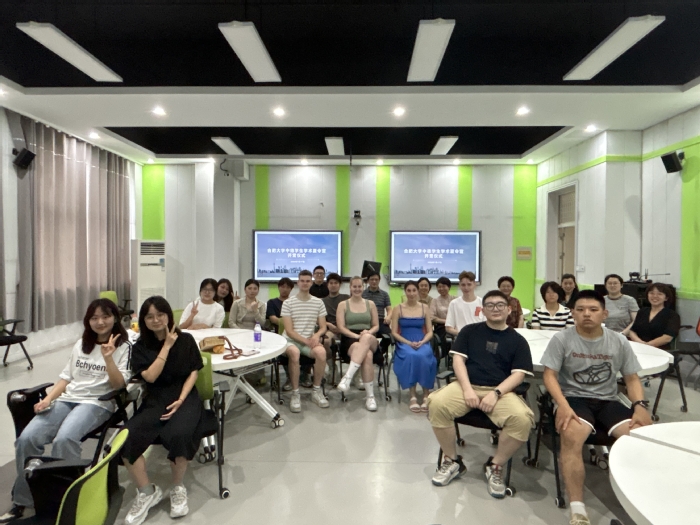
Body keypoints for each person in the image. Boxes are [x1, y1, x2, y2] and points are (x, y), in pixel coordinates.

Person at [0, 299, 130, 523]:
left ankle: (67, 498)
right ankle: (23, 500)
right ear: (88, 321)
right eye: (94, 318)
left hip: (97, 402)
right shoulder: (82, 344)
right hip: (69, 398)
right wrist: (48, 399)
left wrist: (108, 358)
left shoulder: (124, 346)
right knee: (27, 439)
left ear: (115, 318)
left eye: (105, 316)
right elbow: (66, 378)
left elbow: (119, 385)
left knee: (65, 439)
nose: (100, 322)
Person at [541, 290, 652, 525]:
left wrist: (640, 406)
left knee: (642, 437)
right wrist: (561, 404)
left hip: (608, 400)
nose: (587, 314)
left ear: (604, 313)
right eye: (580, 310)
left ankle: (641, 502)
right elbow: (549, 375)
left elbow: (631, 378)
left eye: (593, 310)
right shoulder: (562, 339)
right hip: (573, 398)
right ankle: (578, 507)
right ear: (572, 313)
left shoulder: (618, 341)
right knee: (571, 435)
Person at [428, 290, 534, 499]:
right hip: (466, 386)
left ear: (509, 309)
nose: (495, 309)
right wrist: (467, 389)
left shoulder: (518, 340)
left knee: (523, 419)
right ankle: (452, 460)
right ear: (482, 310)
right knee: (436, 403)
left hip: (500, 391)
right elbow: (458, 361)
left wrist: (496, 393)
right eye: (490, 305)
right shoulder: (469, 332)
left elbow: (519, 374)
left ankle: (495, 465)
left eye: (500, 305)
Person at [122, 296, 204, 524]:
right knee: (126, 439)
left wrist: (181, 399)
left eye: (160, 314)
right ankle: (147, 491)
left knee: (179, 434)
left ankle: (177, 487)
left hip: (185, 396)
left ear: (169, 316)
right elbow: (150, 376)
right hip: (156, 398)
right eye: (150, 316)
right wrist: (166, 346)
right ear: (143, 320)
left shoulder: (186, 339)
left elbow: (194, 371)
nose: (156, 320)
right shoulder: (140, 347)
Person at [281, 270, 331, 413]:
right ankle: (295, 393)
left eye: (308, 281)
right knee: (294, 353)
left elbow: (323, 327)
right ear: (298, 282)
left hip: (309, 341)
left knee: (321, 353)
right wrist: (306, 341)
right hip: (290, 341)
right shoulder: (288, 303)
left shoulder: (318, 302)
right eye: (302, 281)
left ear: (311, 282)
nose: (305, 283)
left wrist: (316, 336)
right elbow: (289, 331)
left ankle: (316, 390)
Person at [335, 276, 380, 411]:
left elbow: (376, 325)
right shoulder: (343, 305)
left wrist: (368, 333)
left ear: (363, 287)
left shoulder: (370, 304)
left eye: (359, 286)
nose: (357, 289)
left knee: (366, 338)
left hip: (369, 337)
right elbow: (341, 327)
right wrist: (356, 336)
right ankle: (370, 396)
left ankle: (348, 377)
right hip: (350, 338)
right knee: (367, 356)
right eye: (354, 286)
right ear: (350, 288)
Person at [391, 281, 436, 413]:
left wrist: (422, 342)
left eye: (414, 290)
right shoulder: (398, 308)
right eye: (408, 291)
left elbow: (430, 331)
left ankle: (426, 394)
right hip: (404, 342)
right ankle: (413, 396)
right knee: (412, 355)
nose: (411, 293)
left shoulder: (424, 308)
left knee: (423, 355)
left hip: (422, 340)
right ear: (405, 292)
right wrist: (408, 343)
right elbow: (394, 332)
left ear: (418, 291)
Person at [266, 278, 307, 390]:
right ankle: (290, 377)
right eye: (282, 286)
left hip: (298, 332)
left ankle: (305, 375)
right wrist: (289, 322)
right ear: (278, 287)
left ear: (291, 289)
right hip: (279, 335)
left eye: (288, 287)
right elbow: (273, 319)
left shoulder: (295, 302)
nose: (285, 289)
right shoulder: (272, 302)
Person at [629, 283, 680, 349]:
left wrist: (647, 345)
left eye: (659, 294)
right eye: (652, 293)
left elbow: (667, 337)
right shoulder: (642, 311)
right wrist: (640, 343)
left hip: (660, 350)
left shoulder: (672, 315)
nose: (655, 296)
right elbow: (632, 331)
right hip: (639, 347)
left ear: (666, 298)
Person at [362, 271, 393, 357]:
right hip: (366, 321)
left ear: (379, 280)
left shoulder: (384, 294)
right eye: (372, 279)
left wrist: (389, 317)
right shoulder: (362, 293)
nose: (374, 281)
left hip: (380, 321)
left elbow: (389, 309)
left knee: (390, 336)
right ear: (368, 281)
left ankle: (379, 351)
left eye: (376, 279)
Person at [445, 271, 484, 336]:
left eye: (469, 284)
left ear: (474, 284)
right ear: (459, 285)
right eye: (463, 285)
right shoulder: (454, 303)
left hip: (479, 337)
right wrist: (463, 335)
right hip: (460, 337)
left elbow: (487, 325)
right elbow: (449, 327)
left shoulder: (482, 302)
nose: (466, 288)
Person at [322, 272, 350, 363]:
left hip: (346, 329)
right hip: (331, 330)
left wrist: (342, 327)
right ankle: (331, 366)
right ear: (327, 285)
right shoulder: (323, 301)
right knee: (326, 341)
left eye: (336, 283)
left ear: (340, 285)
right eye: (331, 283)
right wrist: (328, 324)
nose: (333, 285)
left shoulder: (347, 298)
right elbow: (318, 319)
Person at [430, 277, 456, 360]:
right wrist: (446, 321)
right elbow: (432, 317)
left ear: (449, 287)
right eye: (439, 287)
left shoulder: (455, 299)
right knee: (444, 338)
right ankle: (446, 358)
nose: (441, 289)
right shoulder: (434, 301)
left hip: (455, 326)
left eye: (444, 286)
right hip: (441, 327)